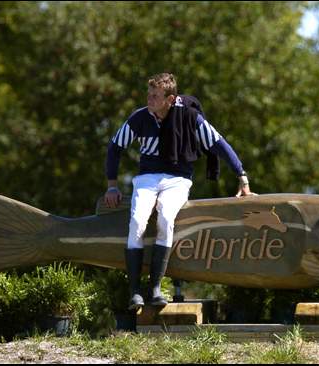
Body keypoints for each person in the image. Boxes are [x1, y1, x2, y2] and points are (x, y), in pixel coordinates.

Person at [104, 73, 255, 310]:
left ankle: (155, 288)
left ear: (170, 99)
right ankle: (134, 292)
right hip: (147, 178)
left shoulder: (190, 118)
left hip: (177, 180)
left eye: (155, 96)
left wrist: (242, 177)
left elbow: (219, 144)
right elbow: (115, 147)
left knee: (165, 218)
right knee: (137, 221)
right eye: (148, 94)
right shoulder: (140, 118)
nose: (149, 99)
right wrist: (112, 186)